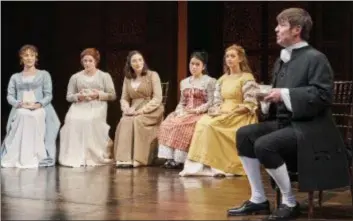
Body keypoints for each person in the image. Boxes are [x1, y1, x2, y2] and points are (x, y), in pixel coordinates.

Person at [227, 8, 350, 220]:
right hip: (287, 123)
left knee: (264, 144)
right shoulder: (282, 60)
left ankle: (289, 202)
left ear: (296, 30)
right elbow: (280, 99)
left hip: (312, 129)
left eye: (281, 25)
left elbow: (322, 95)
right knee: (244, 134)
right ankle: (258, 199)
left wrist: (283, 94)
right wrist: (263, 97)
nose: (276, 29)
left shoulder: (316, 58)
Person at [179, 44, 259, 177]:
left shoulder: (246, 77)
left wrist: (236, 110)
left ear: (240, 59)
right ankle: (200, 166)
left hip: (240, 114)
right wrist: (216, 110)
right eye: (227, 56)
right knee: (202, 123)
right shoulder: (222, 79)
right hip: (223, 111)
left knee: (211, 126)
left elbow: (250, 102)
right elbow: (217, 101)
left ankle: (219, 167)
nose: (229, 59)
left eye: (233, 56)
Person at [1, 44, 60, 168]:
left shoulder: (44, 75)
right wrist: (19, 104)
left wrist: (39, 104)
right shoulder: (15, 77)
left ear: (36, 58)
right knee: (23, 114)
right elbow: (10, 96)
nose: (29, 58)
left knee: (36, 116)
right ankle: (20, 155)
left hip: (40, 107)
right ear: (21, 58)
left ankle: (36, 154)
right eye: (26, 55)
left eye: (32, 55)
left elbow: (48, 95)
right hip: (21, 107)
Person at [157, 51, 216, 169]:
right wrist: (179, 112)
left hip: (201, 112)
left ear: (203, 66)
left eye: (197, 64)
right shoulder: (184, 82)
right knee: (168, 122)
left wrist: (197, 110)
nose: (194, 67)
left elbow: (211, 101)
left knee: (182, 126)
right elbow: (182, 102)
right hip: (185, 111)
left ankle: (180, 159)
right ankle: (170, 158)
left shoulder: (210, 81)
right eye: (192, 64)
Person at [59, 48, 116, 167]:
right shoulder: (75, 77)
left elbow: (112, 95)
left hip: (97, 105)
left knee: (89, 120)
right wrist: (79, 96)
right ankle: (77, 154)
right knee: (72, 119)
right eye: (85, 61)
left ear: (96, 61)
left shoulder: (104, 76)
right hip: (80, 105)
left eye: (90, 60)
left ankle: (92, 154)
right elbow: (69, 96)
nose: (87, 63)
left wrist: (98, 94)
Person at [114, 50, 164, 168]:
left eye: (140, 60)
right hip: (134, 108)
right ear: (129, 64)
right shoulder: (127, 78)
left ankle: (139, 158)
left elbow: (157, 98)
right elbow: (124, 98)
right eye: (134, 61)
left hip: (152, 108)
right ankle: (124, 158)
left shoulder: (152, 75)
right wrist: (126, 109)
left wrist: (141, 111)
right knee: (125, 120)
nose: (138, 63)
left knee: (137, 120)